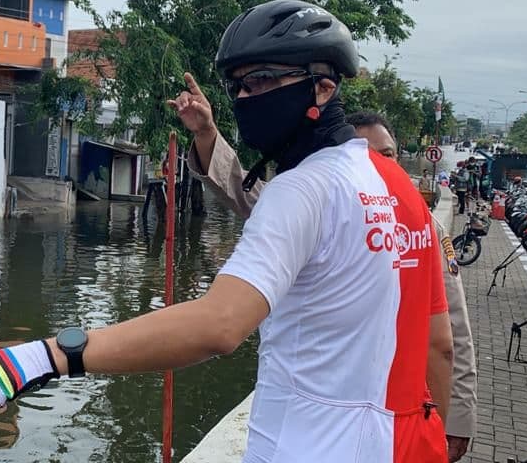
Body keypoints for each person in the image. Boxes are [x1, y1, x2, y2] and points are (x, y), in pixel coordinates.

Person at [0, 0, 452, 462]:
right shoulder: (399, 188)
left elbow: (219, 325)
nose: (247, 98)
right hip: (407, 442)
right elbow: (438, 346)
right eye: (239, 86)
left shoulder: (302, 190)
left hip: (311, 446)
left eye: (265, 80)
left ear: (325, 86)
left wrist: (45, 357)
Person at [169, 73, 476, 462]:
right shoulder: (323, 202)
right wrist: (207, 136)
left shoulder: (421, 224)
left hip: (384, 415)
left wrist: (457, 420)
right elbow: (246, 193)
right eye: (364, 154)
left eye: (386, 155)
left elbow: (451, 338)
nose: (374, 166)